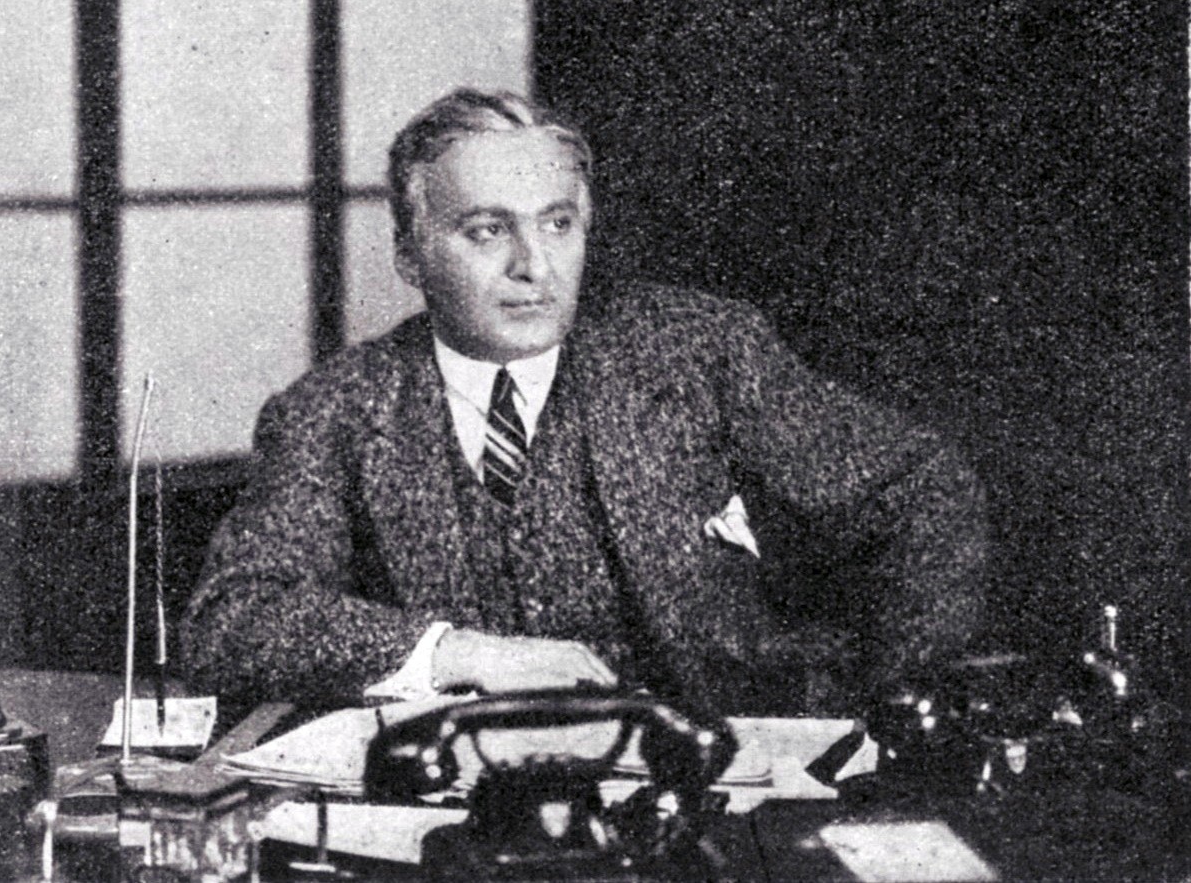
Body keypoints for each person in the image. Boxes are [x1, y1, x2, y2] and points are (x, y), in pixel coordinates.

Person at [181, 88, 988, 716]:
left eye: (558, 224)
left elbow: (924, 491)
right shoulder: (334, 411)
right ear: (410, 256)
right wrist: (464, 654)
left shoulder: (698, 351)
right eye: (488, 231)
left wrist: (883, 704)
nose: (534, 266)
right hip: (467, 804)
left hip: (718, 784)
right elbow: (234, 619)